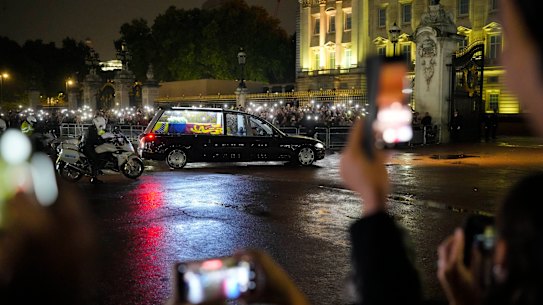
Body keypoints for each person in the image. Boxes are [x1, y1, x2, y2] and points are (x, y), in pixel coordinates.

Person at [83, 115, 107, 184]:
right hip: (88, 147)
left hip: (89, 146)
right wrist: (102, 142)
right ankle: (94, 177)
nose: (102, 127)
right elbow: (95, 139)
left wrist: (108, 134)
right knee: (95, 159)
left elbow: (100, 133)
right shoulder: (92, 130)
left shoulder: (93, 128)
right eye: (101, 125)